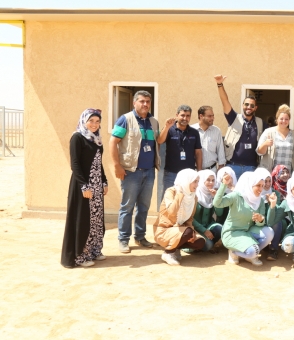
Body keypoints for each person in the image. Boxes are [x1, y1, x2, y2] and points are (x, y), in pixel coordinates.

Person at [109, 90, 160, 253]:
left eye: (148, 102)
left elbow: (157, 142)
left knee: (144, 206)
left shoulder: (153, 121)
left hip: (149, 171)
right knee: (127, 206)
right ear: (134, 102)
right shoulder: (126, 119)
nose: (145, 104)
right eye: (142, 101)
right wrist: (117, 165)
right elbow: (113, 142)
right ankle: (123, 239)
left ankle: (140, 236)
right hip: (131, 171)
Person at [62, 108, 108, 268]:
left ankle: (94, 250)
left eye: (97, 121)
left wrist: (104, 181)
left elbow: (98, 163)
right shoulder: (77, 138)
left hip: (96, 185)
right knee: (83, 219)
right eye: (91, 121)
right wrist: (84, 186)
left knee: (96, 219)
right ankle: (81, 256)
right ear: (84, 121)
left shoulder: (96, 139)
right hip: (83, 185)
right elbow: (75, 164)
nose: (94, 124)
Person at [213, 171, 275, 266]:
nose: (261, 189)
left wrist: (260, 219)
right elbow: (217, 203)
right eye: (258, 185)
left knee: (269, 232)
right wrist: (223, 185)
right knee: (254, 251)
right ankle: (234, 252)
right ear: (250, 185)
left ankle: (249, 254)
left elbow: (261, 223)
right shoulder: (236, 196)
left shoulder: (260, 201)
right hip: (232, 233)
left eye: (262, 186)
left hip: (248, 231)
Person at [215, 74, 265, 178]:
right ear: (243, 105)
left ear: (256, 108)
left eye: (252, 106)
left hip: (251, 168)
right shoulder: (234, 118)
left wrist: (292, 132)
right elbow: (225, 101)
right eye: (246, 104)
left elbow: (274, 131)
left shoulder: (260, 122)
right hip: (233, 166)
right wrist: (220, 84)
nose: (249, 107)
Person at [153, 169, 205, 266]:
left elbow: (189, 219)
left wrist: (193, 232)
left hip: (181, 230)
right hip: (164, 230)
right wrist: (180, 194)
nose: (197, 184)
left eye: (198, 181)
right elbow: (171, 212)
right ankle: (168, 253)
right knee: (188, 232)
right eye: (194, 181)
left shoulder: (193, 197)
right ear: (186, 180)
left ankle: (176, 247)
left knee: (200, 242)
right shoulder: (171, 192)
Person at [158, 105, 203, 198]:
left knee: (187, 199)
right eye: (182, 115)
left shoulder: (194, 132)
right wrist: (166, 127)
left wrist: (199, 171)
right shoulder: (169, 129)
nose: (185, 118)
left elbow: (198, 153)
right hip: (171, 173)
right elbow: (160, 141)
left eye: (188, 116)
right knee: (168, 198)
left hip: (189, 174)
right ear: (177, 115)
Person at [186, 169, 223, 254]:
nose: (211, 183)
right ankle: (191, 246)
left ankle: (203, 244)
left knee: (220, 228)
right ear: (202, 181)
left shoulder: (212, 194)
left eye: (213, 180)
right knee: (209, 245)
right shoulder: (194, 195)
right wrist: (204, 230)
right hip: (194, 228)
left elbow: (219, 214)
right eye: (208, 180)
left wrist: (215, 198)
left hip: (208, 226)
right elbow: (190, 218)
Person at [257, 104, 294, 172]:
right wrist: (265, 144)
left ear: (289, 120)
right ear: (277, 119)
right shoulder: (268, 132)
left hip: (287, 174)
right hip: (271, 174)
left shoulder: (293, 135)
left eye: (286, 119)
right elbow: (259, 152)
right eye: (281, 119)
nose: (284, 121)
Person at [192, 105, 226, 171]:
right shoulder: (192, 130)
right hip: (195, 171)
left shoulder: (216, 131)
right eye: (209, 116)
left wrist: (221, 166)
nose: (212, 118)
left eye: (213, 116)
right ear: (201, 116)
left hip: (212, 170)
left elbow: (220, 149)